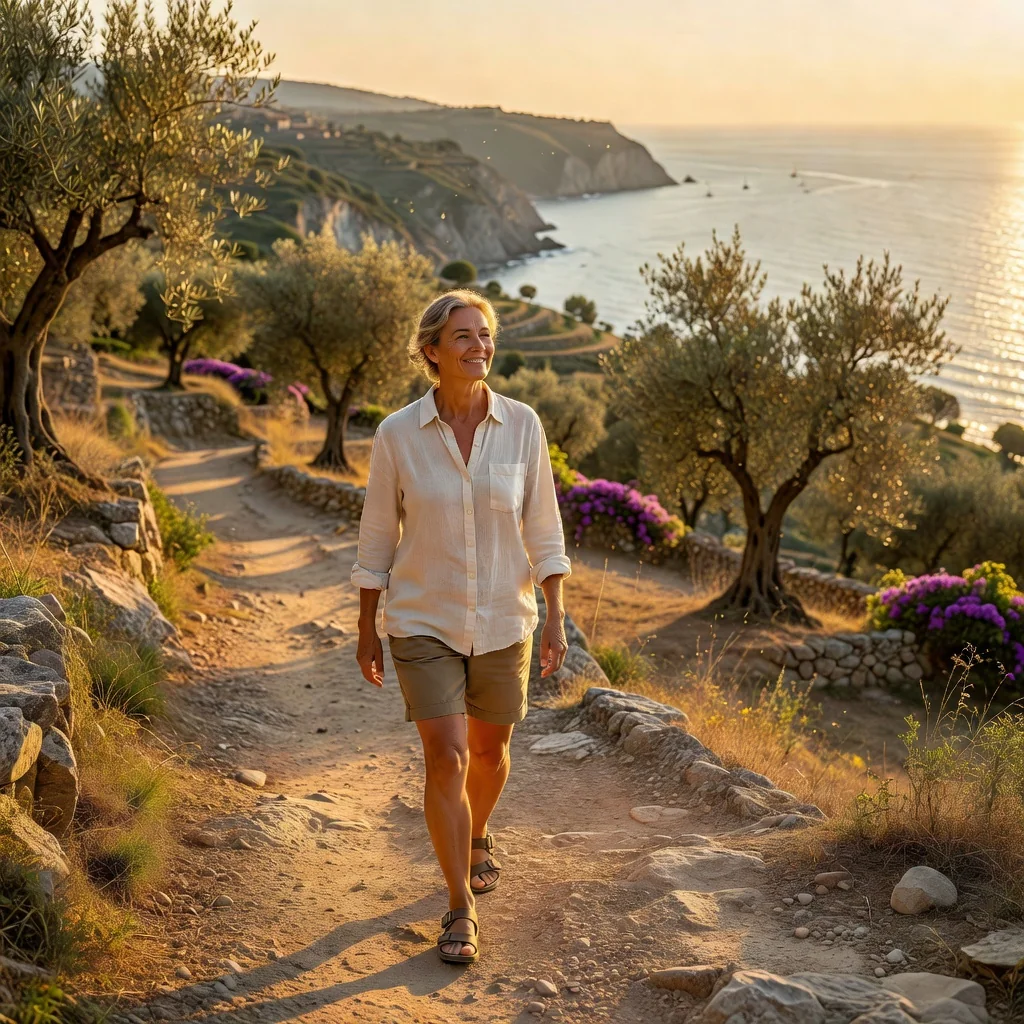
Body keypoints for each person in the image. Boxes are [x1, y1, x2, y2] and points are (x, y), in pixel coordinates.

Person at [352, 289, 571, 965]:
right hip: (423, 617)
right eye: (464, 336)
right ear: (432, 351)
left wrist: (556, 614)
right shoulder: (397, 435)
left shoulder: (523, 425)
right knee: (446, 756)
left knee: (488, 752)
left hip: (506, 617)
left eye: (485, 334)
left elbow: (544, 527)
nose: (480, 346)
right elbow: (377, 536)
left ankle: (477, 837)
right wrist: (366, 626)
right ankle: (458, 906)